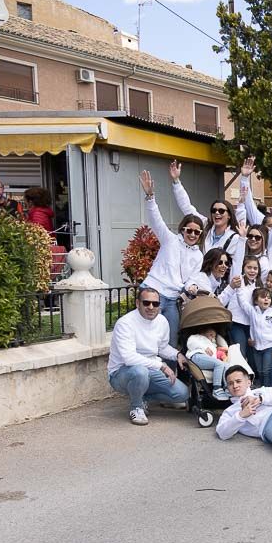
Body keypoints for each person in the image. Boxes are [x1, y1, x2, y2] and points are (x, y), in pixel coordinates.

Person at [139, 170, 205, 345]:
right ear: (182, 229)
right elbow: (156, 220)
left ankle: (169, 372)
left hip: (172, 298)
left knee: (171, 340)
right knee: (147, 337)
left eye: (196, 232)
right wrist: (150, 197)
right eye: (188, 230)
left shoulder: (198, 255)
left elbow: (191, 278)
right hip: (154, 291)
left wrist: (191, 286)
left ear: (200, 234)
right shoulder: (170, 240)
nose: (192, 234)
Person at [107, 286, 190, 425]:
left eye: (155, 304)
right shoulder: (125, 323)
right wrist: (161, 366)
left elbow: (162, 347)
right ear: (137, 303)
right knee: (140, 371)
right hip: (121, 373)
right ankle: (136, 407)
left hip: (150, 369)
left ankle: (142, 397)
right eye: (146, 303)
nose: (151, 307)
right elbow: (129, 358)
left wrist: (178, 355)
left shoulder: (162, 321)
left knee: (182, 394)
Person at [185, 325, 231, 400]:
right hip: (197, 356)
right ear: (202, 332)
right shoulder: (195, 337)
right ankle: (217, 389)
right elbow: (190, 344)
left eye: (214, 336)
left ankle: (227, 387)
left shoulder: (212, 344)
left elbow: (215, 356)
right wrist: (205, 348)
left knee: (226, 365)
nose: (212, 337)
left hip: (208, 360)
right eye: (210, 335)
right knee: (219, 364)